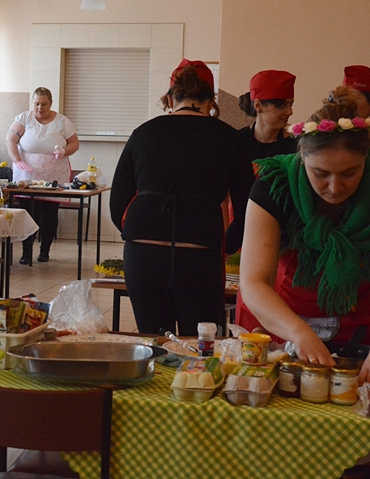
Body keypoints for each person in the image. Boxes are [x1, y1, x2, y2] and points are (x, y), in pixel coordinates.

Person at [109, 59, 251, 337]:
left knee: (153, 340)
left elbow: (118, 202)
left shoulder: (143, 133)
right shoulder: (230, 139)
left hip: (143, 252)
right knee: (200, 343)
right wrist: (228, 244)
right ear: (212, 100)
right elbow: (247, 206)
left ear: (171, 97)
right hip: (199, 251)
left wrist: (138, 233)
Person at [237, 101, 370, 379]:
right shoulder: (274, 185)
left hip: (360, 324)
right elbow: (253, 282)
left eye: (350, 173)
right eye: (320, 174)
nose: (334, 187)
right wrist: (299, 333)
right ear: (302, 158)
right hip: (282, 318)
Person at [6, 87, 79, 264]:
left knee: (48, 214)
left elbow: (74, 143)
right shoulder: (24, 118)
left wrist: (64, 151)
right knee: (27, 213)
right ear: (32, 103)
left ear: (51, 103)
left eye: (44, 104)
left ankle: (44, 251)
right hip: (27, 175)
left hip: (53, 176)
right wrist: (17, 160)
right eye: (37, 103)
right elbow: (10, 139)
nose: (40, 108)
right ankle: (26, 252)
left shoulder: (62, 121)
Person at [228, 70, 298, 252]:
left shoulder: (296, 145)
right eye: (281, 106)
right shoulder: (236, 142)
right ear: (258, 105)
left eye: (291, 104)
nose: (289, 112)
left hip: (285, 242)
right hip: (241, 237)